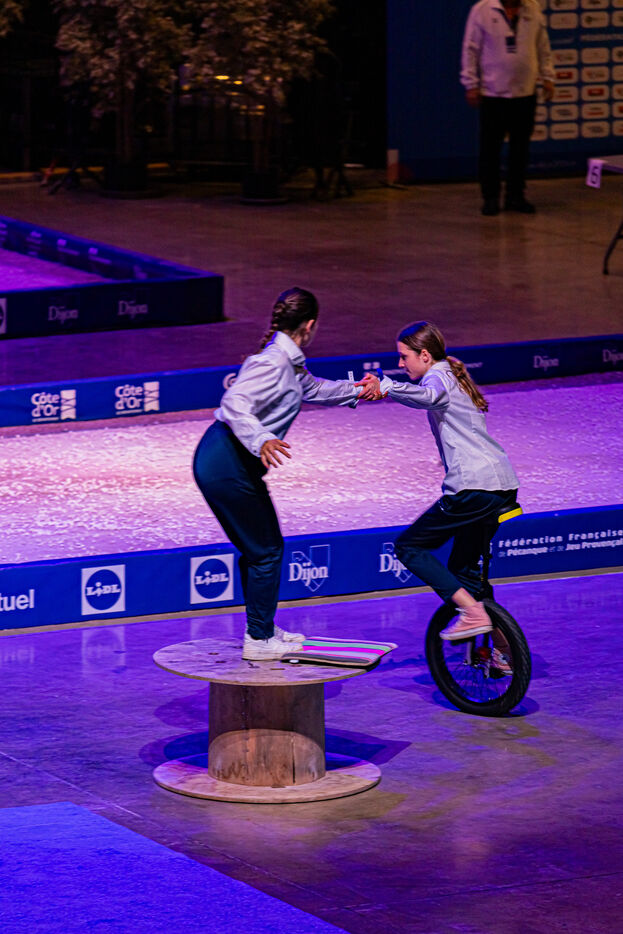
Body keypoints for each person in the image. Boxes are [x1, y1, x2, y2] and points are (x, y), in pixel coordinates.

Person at [193, 287, 369, 661]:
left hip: (229, 462)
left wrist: (358, 390)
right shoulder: (273, 362)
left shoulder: (288, 362)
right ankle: (258, 640)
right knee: (267, 550)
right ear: (310, 325)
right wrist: (262, 438)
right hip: (226, 460)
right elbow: (234, 402)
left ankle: (262, 627)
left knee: (259, 549)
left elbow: (314, 389)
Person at [357, 322, 519, 671]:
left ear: (425, 355)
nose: (401, 364)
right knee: (464, 571)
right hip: (501, 485)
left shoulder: (438, 378)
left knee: (409, 547)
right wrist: (388, 387)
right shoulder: (450, 374)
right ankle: (504, 651)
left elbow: (430, 397)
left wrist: (387, 386)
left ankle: (472, 612)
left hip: (473, 488)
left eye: (404, 357)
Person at [460, 0, 555, 216]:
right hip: (493, 93)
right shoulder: (482, 10)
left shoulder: (532, 8)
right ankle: (490, 197)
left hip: (525, 92)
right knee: (490, 149)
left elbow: (542, 45)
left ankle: (516, 196)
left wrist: (548, 77)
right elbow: (470, 49)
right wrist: (471, 84)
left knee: (520, 148)